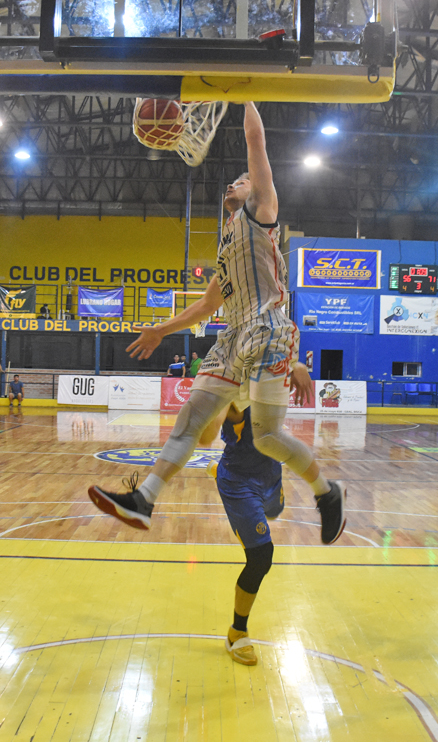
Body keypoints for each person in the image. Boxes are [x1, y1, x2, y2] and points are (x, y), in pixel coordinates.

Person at [89, 102, 346, 545]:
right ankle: (145, 500)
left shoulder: (263, 211)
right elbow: (208, 305)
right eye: (235, 180)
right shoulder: (227, 240)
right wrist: (160, 330)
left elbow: (255, 140)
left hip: (268, 327)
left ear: (257, 190)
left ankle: (327, 494)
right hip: (232, 337)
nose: (235, 182)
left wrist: (244, 89)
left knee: (266, 439)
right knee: (190, 419)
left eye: (242, 180)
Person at [195, 368, 310, 666]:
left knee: (275, 510)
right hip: (239, 481)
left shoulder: (276, 368)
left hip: (271, 474)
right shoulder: (233, 390)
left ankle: (217, 470)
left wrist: (298, 366)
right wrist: (217, 405)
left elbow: (295, 362)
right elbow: (206, 436)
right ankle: (237, 632)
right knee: (261, 557)